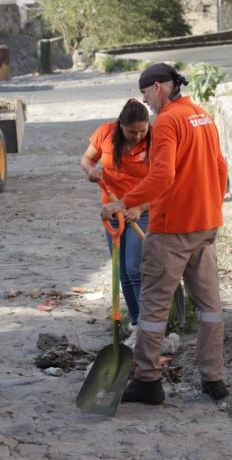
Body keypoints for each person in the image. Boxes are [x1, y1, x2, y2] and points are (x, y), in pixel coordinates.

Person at [102, 63, 228, 405]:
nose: (145, 101)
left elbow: (162, 175)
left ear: (157, 87)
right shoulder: (202, 115)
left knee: (154, 307)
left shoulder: (168, 121)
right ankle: (213, 378)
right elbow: (220, 167)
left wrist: (124, 202)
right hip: (205, 225)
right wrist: (211, 207)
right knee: (210, 306)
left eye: (145, 93)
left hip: (172, 227)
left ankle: (147, 379)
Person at [80, 98, 151, 348]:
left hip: (142, 211)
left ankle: (147, 326)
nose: (138, 136)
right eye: (132, 132)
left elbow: (165, 182)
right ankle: (135, 322)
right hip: (112, 213)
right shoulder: (105, 133)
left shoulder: (156, 141)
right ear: (121, 125)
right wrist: (91, 171)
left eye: (142, 131)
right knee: (121, 271)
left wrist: (139, 207)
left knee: (135, 269)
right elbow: (86, 159)